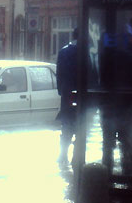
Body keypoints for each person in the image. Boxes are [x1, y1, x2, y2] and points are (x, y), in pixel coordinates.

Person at [56, 27, 78, 165]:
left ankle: (63, 156)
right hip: (82, 94)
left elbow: (59, 73)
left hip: (67, 93)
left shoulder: (64, 51)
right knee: (81, 125)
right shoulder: (87, 50)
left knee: (67, 125)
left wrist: (62, 91)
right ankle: (76, 157)